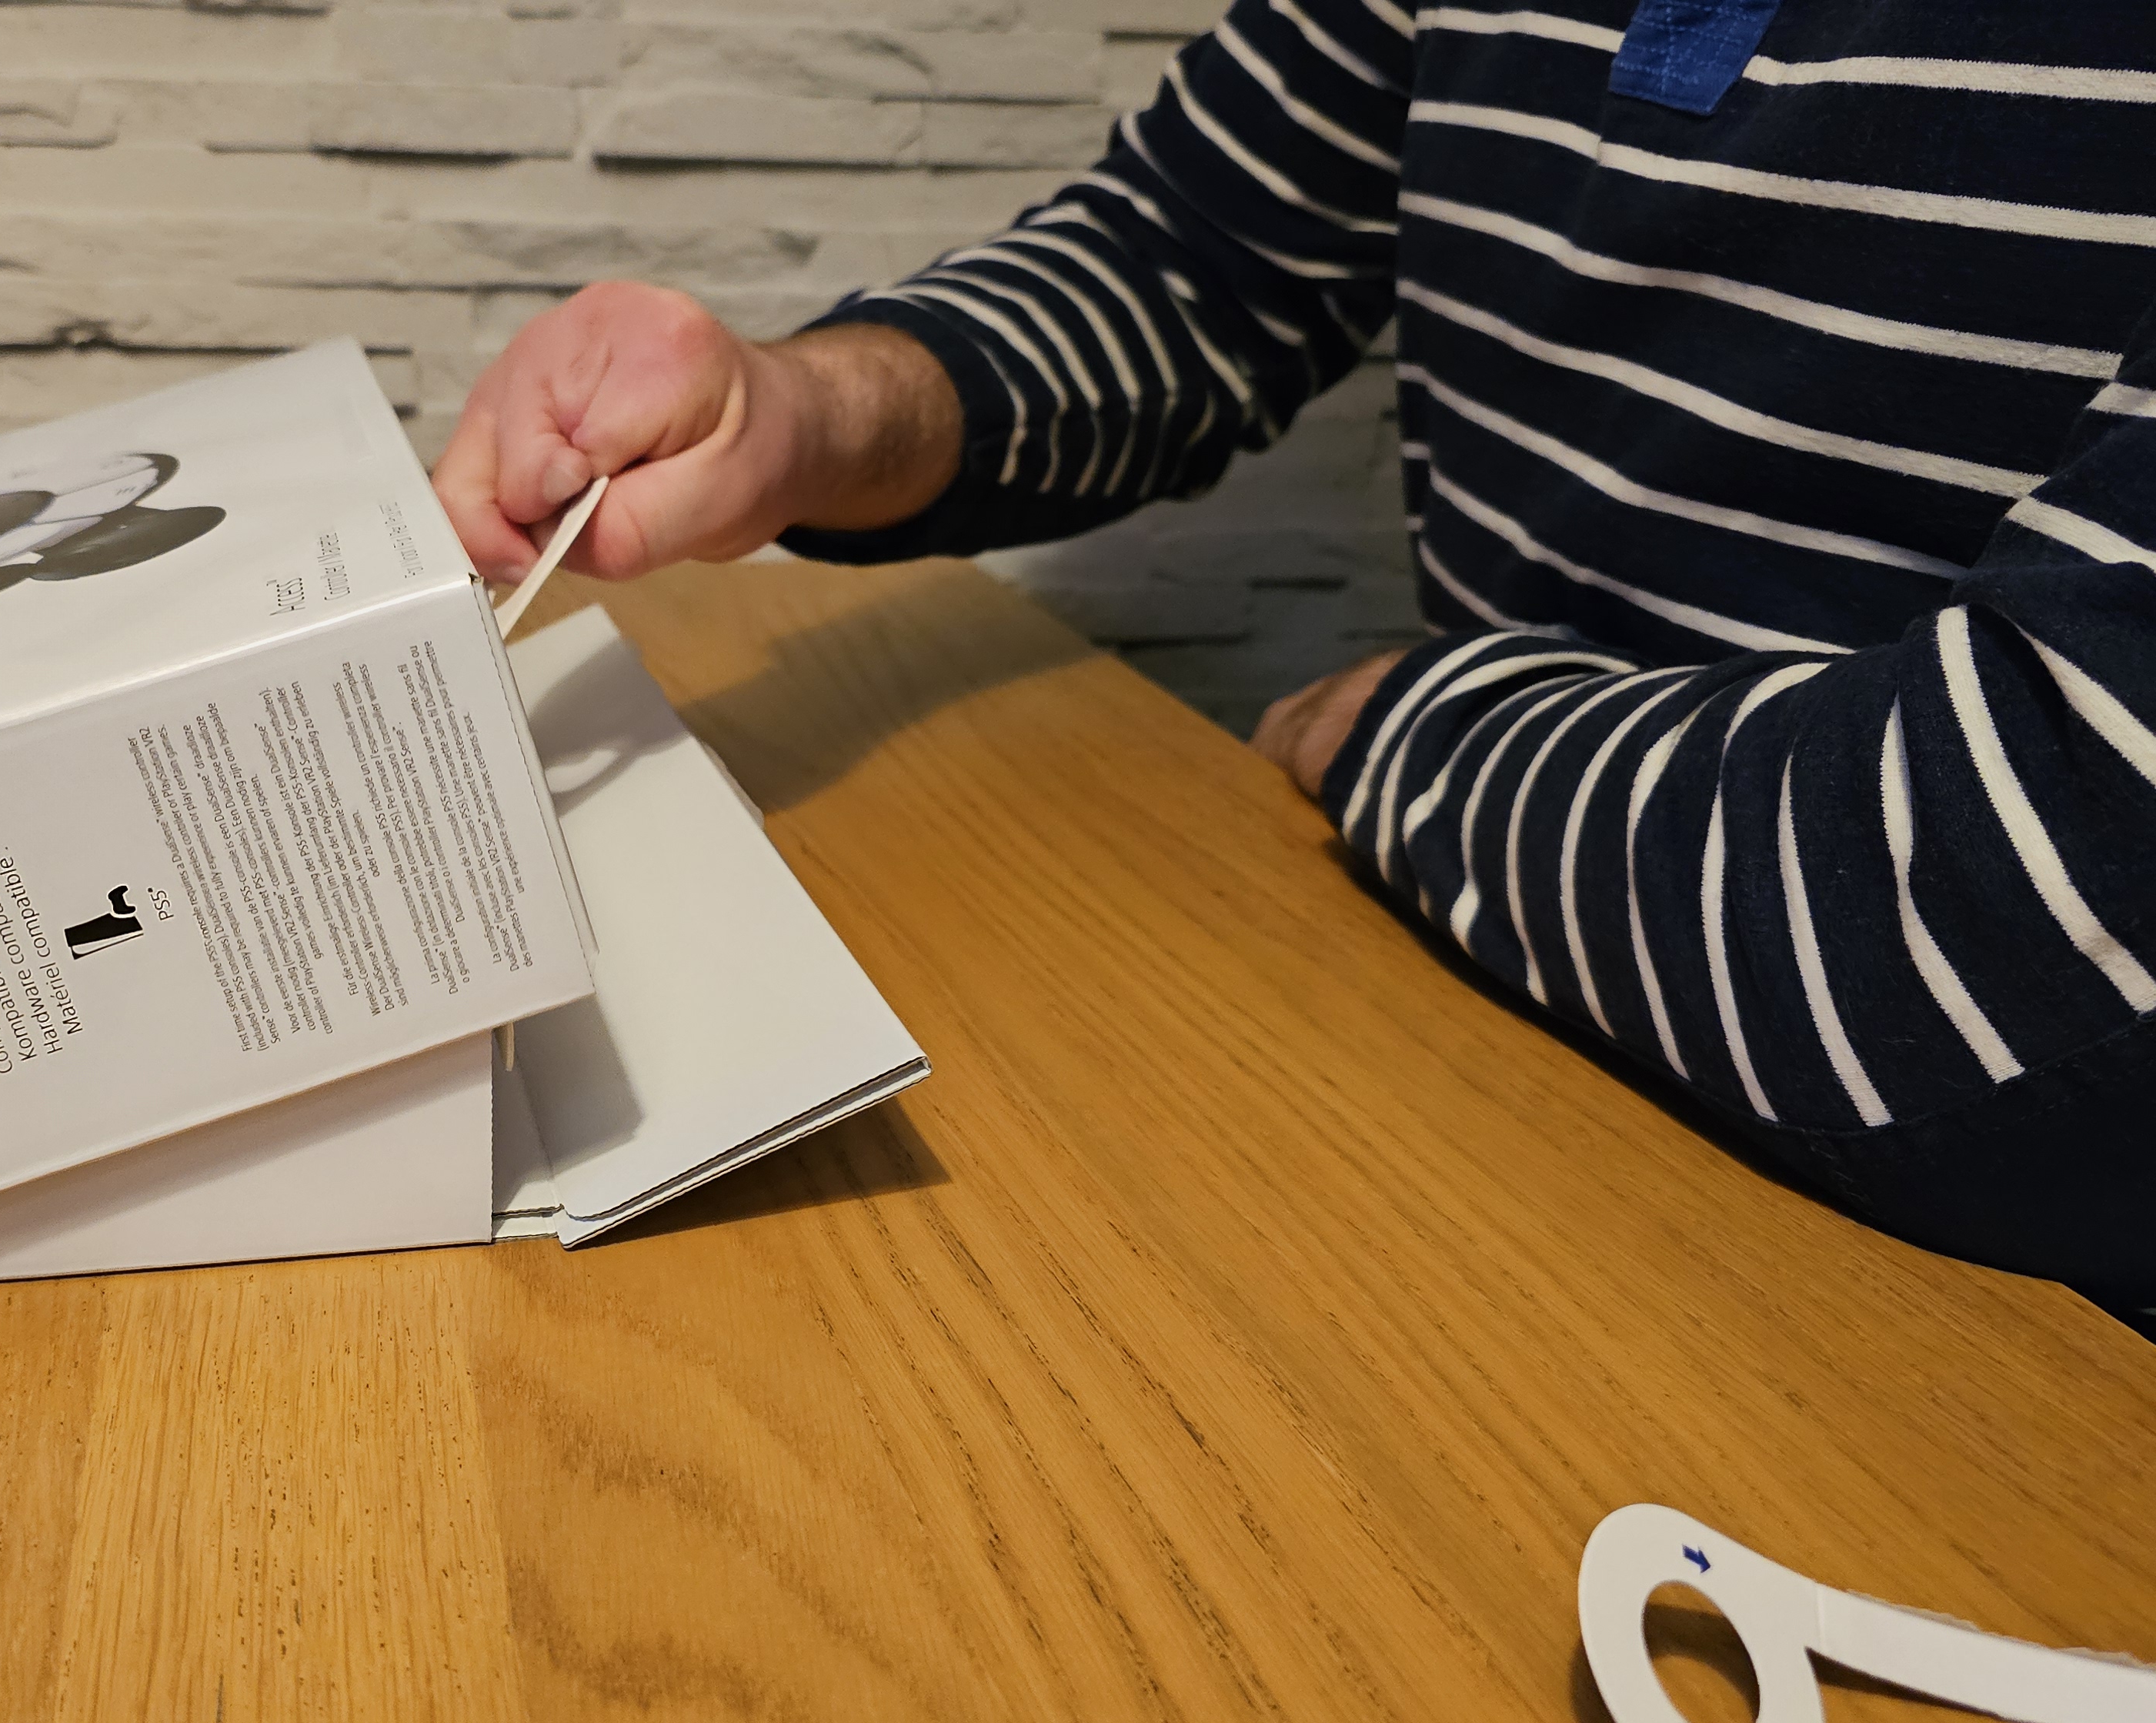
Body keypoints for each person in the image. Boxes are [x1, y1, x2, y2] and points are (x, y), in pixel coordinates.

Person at [432, 0, 2156, 1324]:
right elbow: (1189, 261)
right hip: (1490, 1033)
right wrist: (806, 409)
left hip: (1988, 1311)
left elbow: (2014, 911)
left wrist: (1417, 729)